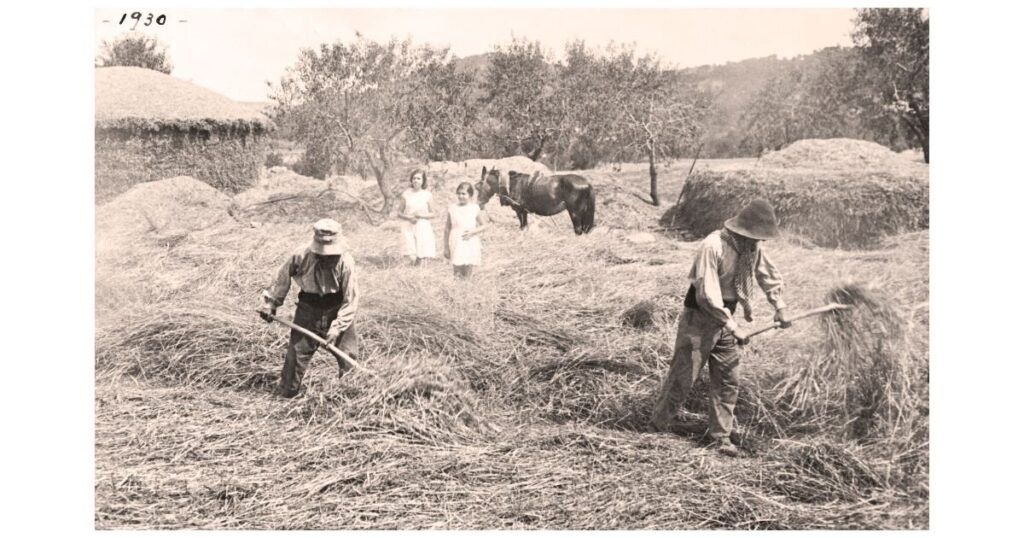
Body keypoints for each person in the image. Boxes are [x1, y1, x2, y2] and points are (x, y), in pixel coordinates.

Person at [649, 200, 792, 457]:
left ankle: (720, 438)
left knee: (728, 380)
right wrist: (731, 325)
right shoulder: (713, 245)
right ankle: (657, 427)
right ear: (743, 230)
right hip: (700, 318)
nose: (760, 242)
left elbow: (767, 274)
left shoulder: (751, 247)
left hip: (728, 319)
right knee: (683, 377)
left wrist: (779, 305)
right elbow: (706, 295)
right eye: (757, 236)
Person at [258, 218, 359, 398]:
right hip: (308, 309)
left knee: (348, 357)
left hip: (336, 309)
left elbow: (350, 300)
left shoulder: (346, 261)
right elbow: (282, 279)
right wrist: (271, 304)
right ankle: (286, 395)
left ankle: (352, 395)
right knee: (295, 357)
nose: (326, 256)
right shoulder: (300, 255)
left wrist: (337, 327)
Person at [444, 182, 491, 278]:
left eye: (463, 194)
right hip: (456, 240)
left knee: (467, 269)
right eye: (459, 193)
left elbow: (485, 225)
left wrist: (473, 232)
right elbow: (447, 228)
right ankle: (457, 289)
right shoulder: (452, 208)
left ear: (470, 195)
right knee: (457, 270)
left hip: (469, 240)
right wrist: (446, 247)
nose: (461, 196)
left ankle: (466, 287)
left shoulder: (474, 208)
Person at [397, 169, 437, 265]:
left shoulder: (427, 195)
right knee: (411, 255)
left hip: (423, 225)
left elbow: (433, 213)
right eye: (414, 178)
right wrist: (408, 218)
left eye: (418, 178)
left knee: (422, 254)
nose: (416, 181)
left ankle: (420, 273)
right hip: (408, 226)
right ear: (411, 180)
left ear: (423, 181)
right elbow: (399, 213)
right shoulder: (406, 194)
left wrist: (421, 215)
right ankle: (413, 269)